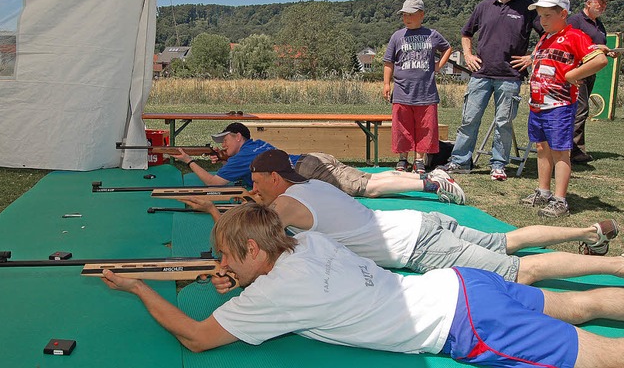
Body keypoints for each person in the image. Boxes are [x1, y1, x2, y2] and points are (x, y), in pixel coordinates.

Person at [101, 203, 624, 367]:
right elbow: (274, 275)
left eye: (226, 255)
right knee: (582, 303)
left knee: (600, 354)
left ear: (254, 250)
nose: (221, 264)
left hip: (464, 322)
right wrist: (235, 276)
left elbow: (195, 337)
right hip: (465, 285)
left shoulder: (271, 295)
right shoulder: (306, 243)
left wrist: (140, 289)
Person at [180, 149, 622, 285]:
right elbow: (258, 214)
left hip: (419, 246)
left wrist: (215, 209)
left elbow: (251, 241)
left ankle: (614, 265)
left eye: (257, 180)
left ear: (273, 178)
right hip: (420, 224)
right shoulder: (308, 186)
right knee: (508, 240)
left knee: (519, 272)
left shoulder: (284, 206)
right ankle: (589, 230)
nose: (253, 187)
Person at [172, 122, 466, 204]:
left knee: (368, 187)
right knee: (368, 178)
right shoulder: (252, 147)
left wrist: (189, 161)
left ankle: (430, 183)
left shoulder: (242, 158)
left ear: (238, 137)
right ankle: (430, 178)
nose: (222, 145)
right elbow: (234, 164)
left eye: (225, 140)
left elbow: (213, 183)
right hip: (311, 160)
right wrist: (220, 157)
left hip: (307, 170)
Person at [440, 0, 542, 181]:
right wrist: (468, 55)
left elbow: (548, 33)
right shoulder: (483, 6)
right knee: (469, 119)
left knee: (503, 122)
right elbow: (466, 33)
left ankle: (498, 165)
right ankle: (459, 162)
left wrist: (532, 57)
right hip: (481, 74)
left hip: (510, 76)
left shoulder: (528, 7)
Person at [520, 0, 609, 218]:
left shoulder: (574, 36)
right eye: (541, 16)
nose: (543, 21)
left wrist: (573, 75)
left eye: (549, 15)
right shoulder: (544, 38)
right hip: (539, 105)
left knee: (561, 152)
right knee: (541, 148)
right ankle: (543, 191)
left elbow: (599, 60)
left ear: (563, 14)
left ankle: (560, 200)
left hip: (560, 105)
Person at [383, 0, 453, 174]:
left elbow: (448, 48)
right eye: (404, 15)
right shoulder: (397, 36)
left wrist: (439, 65)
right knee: (401, 128)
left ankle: (420, 160)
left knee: (425, 128)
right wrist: (386, 84)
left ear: (421, 15)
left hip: (426, 92)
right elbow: (388, 62)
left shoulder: (432, 34)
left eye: (411, 14)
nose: (407, 18)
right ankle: (402, 159)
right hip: (402, 92)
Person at [568, 0, 619, 163]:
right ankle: (572, 150)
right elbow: (569, 43)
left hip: (590, 71)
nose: (604, 6)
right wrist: (597, 48)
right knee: (580, 110)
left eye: (605, 3)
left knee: (581, 110)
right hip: (577, 71)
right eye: (600, 2)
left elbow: (597, 46)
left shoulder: (598, 23)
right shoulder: (575, 21)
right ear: (588, 3)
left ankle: (576, 148)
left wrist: (608, 52)